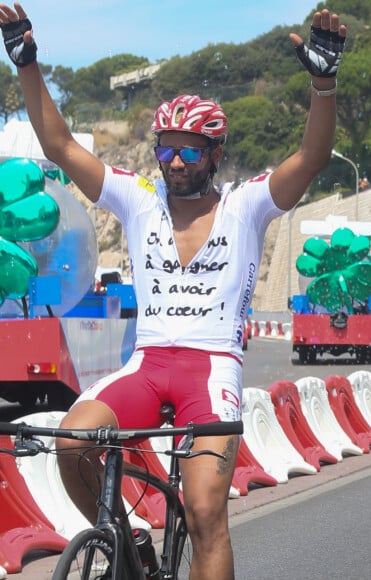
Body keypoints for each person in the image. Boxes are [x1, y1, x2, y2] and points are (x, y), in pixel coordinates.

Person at [0, 4, 347, 578]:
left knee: (206, 511)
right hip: (148, 361)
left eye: (189, 149)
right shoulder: (137, 198)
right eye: (165, 148)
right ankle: (126, 539)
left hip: (212, 369)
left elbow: (311, 158)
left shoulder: (246, 204)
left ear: (215, 154)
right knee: (72, 440)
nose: (174, 161)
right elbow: (61, 146)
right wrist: (27, 64)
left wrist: (323, 84)